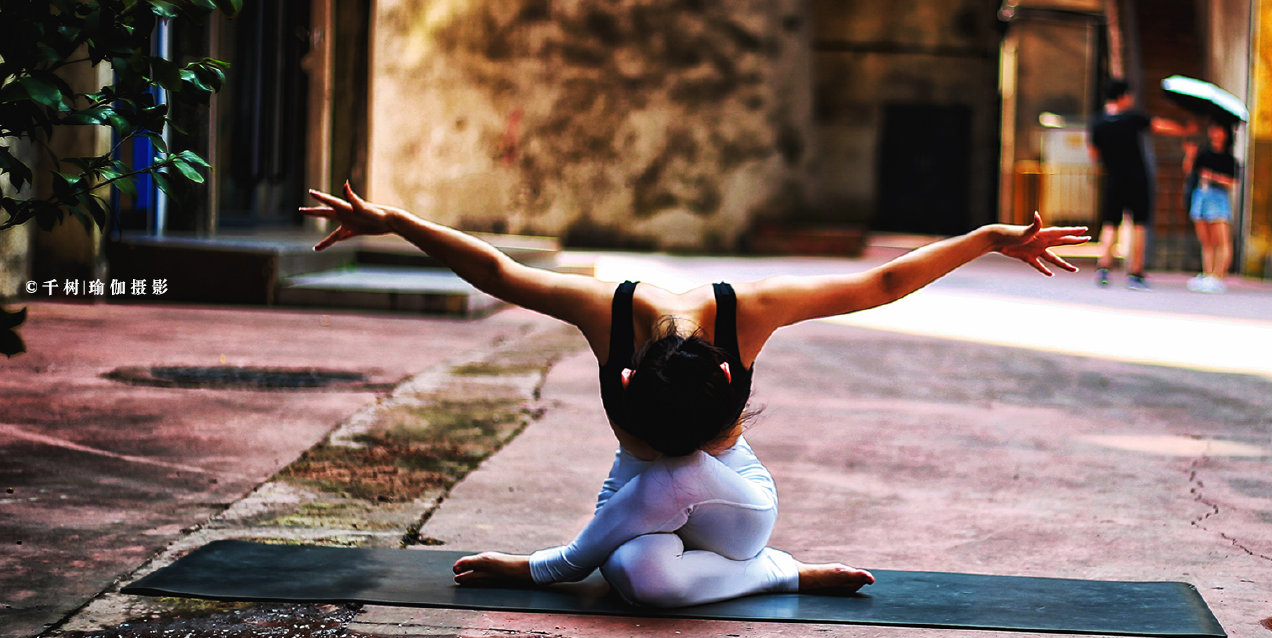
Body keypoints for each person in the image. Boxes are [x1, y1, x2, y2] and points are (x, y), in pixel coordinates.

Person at [301, 185, 1087, 608]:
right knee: (645, 581)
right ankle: (761, 576)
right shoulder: (603, 309)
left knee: (673, 482)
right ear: (628, 379)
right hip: (633, 498)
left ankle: (773, 570)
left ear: (726, 378)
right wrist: (397, 221)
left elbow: (879, 283)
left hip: (733, 503)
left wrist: (988, 238)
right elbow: (502, 273)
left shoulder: (748, 314)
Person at [1086, 78, 1196, 290]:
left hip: (1113, 178)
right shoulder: (1132, 118)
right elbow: (1158, 125)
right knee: (1139, 224)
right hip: (1137, 179)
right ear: (1123, 96)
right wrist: (1184, 130)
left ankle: (1104, 268)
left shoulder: (1098, 122)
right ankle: (1136, 272)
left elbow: (1093, 153)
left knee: (1110, 223)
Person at [1187, 122, 1239, 293]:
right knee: (1206, 241)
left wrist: (1214, 177)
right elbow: (1190, 171)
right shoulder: (1203, 153)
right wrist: (1190, 155)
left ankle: (1219, 275)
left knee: (1222, 239)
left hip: (1218, 197)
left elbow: (1232, 182)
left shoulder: (1229, 158)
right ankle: (1208, 274)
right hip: (1202, 195)